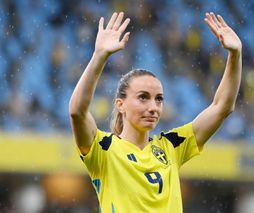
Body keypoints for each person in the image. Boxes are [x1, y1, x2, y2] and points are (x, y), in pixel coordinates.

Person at [69, 11, 242, 213]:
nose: (153, 107)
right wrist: (99, 57)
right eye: (143, 97)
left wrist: (235, 54)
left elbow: (222, 107)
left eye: (158, 99)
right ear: (120, 105)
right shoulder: (103, 150)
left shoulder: (171, 146)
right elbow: (77, 112)